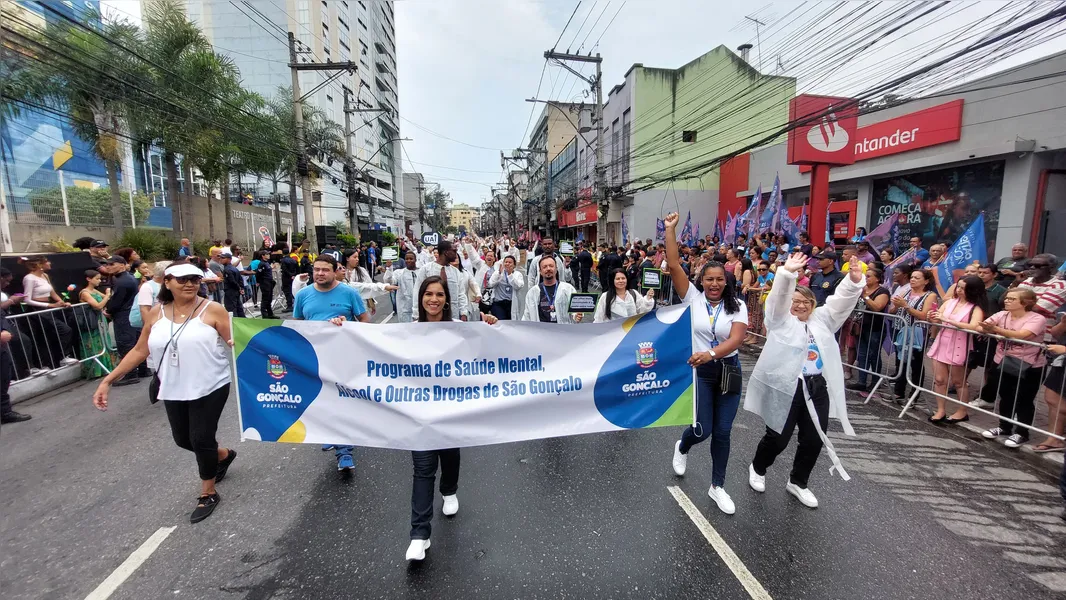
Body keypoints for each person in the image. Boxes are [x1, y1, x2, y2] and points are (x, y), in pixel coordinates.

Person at [92, 262, 236, 523]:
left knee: (201, 438)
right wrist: (108, 380)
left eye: (194, 278)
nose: (190, 284)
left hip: (211, 384)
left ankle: (208, 492)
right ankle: (223, 455)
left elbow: (236, 341)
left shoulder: (212, 309)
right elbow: (139, 350)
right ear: (166, 282)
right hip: (172, 386)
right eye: (182, 280)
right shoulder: (156, 314)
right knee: (183, 439)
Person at [746, 252, 864, 509]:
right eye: (795, 301)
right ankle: (758, 467)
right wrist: (787, 275)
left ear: (813, 305)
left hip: (815, 387)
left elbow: (839, 303)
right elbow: (777, 301)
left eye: (806, 302)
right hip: (785, 386)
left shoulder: (822, 320)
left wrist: (853, 283)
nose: (800, 306)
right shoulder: (779, 321)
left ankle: (798, 482)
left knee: (813, 439)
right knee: (778, 437)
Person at [406, 276, 498, 561]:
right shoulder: (405, 333)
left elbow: (486, 348)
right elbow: (366, 345)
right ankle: (419, 535)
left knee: (450, 456)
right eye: (428, 294)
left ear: (446, 300)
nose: (433, 300)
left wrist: (492, 326)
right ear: (420, 298)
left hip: (451, 411)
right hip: (419, 413)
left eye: (439, 295)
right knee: (423, 469)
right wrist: (341, 330)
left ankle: (449, 490)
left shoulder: (459, 329)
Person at [662, 212, 748, 514]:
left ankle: (717, 486)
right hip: (700, 374)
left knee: (723, 432)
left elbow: (736, 340)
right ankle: (683, 445)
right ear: (702, 281)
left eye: (719, 280)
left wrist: (711, 353)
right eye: (709, 279)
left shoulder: (738, 306)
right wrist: (670, 230)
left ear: (726, 282)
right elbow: (673, 265)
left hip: (728, 371)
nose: (714, 284)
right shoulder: (693, 299)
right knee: (702, 430)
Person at [293, 255, 370, 471]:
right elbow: (297, 324)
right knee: (321, 400)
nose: (320, 274)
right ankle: (330, 433)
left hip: (343, 357)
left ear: (335, 270)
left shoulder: (348, 293)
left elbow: (364, 320)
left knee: (341, 401)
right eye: (317, 269)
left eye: (325, 270)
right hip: (314, 359)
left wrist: (347, 324)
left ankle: (344, 451)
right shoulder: (303, 295)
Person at [978, 288, 1048, 449]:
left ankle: (1022, 433)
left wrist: (994, 330)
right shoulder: (1002, 314)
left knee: (1024, 398)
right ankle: (1004, 427)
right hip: (1001, 360)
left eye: (1012, 299)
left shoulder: (1037, 318)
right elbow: (981, 326)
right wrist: (987, 327)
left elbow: (1022, 335)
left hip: (1029, 365)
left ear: (1025, 303)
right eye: (1007, 298)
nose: (1007, 301)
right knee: (1005, 395)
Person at [926, 275, 988, 423]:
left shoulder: (975, 308)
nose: (959, 290)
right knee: (940, 380)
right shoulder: (950, 302)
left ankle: (962, 410)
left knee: (958, 381)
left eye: (963, 288)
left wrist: (948, 320)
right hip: (943, 341)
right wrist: (931, 316)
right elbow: (937, 318)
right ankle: (940, 410)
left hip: (960, 343)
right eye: (958, 286)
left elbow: (975, 326)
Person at [890, 268, 937, 400]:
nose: (912, 280)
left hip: (917, 331)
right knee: (900, 361)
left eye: (917, 278)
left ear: (926, 281)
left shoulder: (930, 295)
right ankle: (899, 392)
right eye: (912, 277)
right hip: (901, 329)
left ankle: (914, 395)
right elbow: (893, 311)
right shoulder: (906, 291)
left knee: (915, 363)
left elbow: (924, 316)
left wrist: (906, 306)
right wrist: (895, 306)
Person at [847, 268, 891, 394]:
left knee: (873, 355)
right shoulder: (862, 289)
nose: (866, 278)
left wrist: (865, 296)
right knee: (861, 354)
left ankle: (875, 382)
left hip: (875, 328)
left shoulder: (883, 291)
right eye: (865, 276)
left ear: (877, 279)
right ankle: (861, 381)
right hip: (860, 327)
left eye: (869, 276)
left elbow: (877, 307)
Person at [1034, 315, 1066, 452]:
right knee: (1052, 398)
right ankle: (1054, 438)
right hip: (1062, 362)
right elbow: (1055, 333)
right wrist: (1063, 323)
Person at [414, 241, 469, 321]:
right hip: (430, 316)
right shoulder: (426, 269)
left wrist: (464, 313)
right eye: (454, 251)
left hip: (452, 316)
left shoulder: (455, 272)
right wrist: (416, 314)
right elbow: (417, 292)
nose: (456, 254)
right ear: (446, 252)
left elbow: (461, 294)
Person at [522, 254, 582, 323]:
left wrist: (577, 315)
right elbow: (527, 316)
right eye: (544, 267)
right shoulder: (533, 292)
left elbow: (575, 310)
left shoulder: (568, 289)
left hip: (562, 331)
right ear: (540, 272)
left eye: (551, 266)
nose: (548, 269)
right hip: (541, 331)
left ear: (556, 269)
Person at [1018, 253, 1066, 326]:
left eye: (1038, 266)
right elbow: (1003, 302)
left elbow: (1037, 309)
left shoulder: (1059, 285)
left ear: (1051, 268)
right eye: (1030, 265)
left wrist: (1015, 302)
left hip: (1041, 331)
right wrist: (1016, 282)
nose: (1032, 267)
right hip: (1017, 326)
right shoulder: (1026, 281)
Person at [385, 251, 419, 323]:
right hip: (404, 308)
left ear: (415, 260)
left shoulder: (421, 272)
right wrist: (389, 268)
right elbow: (390, 281)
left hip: (419, 307)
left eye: (411, 259)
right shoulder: (399, 273)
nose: (408, 260)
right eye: (406, 259)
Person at [488, 255, 524, 321]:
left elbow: (518, 286)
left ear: (514, 265)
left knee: (511, 323)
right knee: (501, 322)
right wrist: (498, 274)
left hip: (511, 303)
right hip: (499, 303)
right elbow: (491, 284)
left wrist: (510, 274)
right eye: (506, 262)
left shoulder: (517, 274)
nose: (507, 264)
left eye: (510, 262)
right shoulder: (498, 273)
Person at [253, 250, 277, 319]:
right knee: (265, 299)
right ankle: (264, 314)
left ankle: (270, 314)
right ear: (263, 256)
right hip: (265, 283)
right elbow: (258, 274)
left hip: (269, 282)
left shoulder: (267, 263)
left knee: (269, 298)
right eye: (266, 254)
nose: (268, 255)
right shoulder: (262, 264)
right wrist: (258, 281)